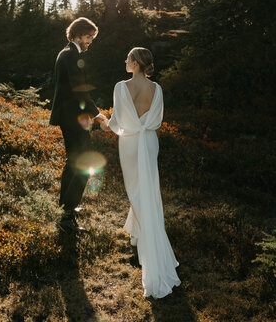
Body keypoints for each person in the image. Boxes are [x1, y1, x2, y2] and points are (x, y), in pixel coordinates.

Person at [100, 47, 181, 299]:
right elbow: (155, 123)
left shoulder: (121, 87)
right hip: (149, 142)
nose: (125, 60)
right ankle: (138, 238)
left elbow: (117, 123)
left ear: (134, 63)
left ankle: (151, 249)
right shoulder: (158, 90)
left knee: (136, 191)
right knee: (146, 189)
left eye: (127, 58)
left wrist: (104, 121)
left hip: (132, 144)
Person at [50, 17, 108, 232]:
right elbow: (80, 90)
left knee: (74, 164)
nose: (90, 41)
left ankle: (66, 210)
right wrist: (98, 114)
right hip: (73, 118)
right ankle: (66, 217)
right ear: (76, 34)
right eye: (88, 37)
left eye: (92, 38)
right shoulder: (70, 56)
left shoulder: (67, 53)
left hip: (70, 117)